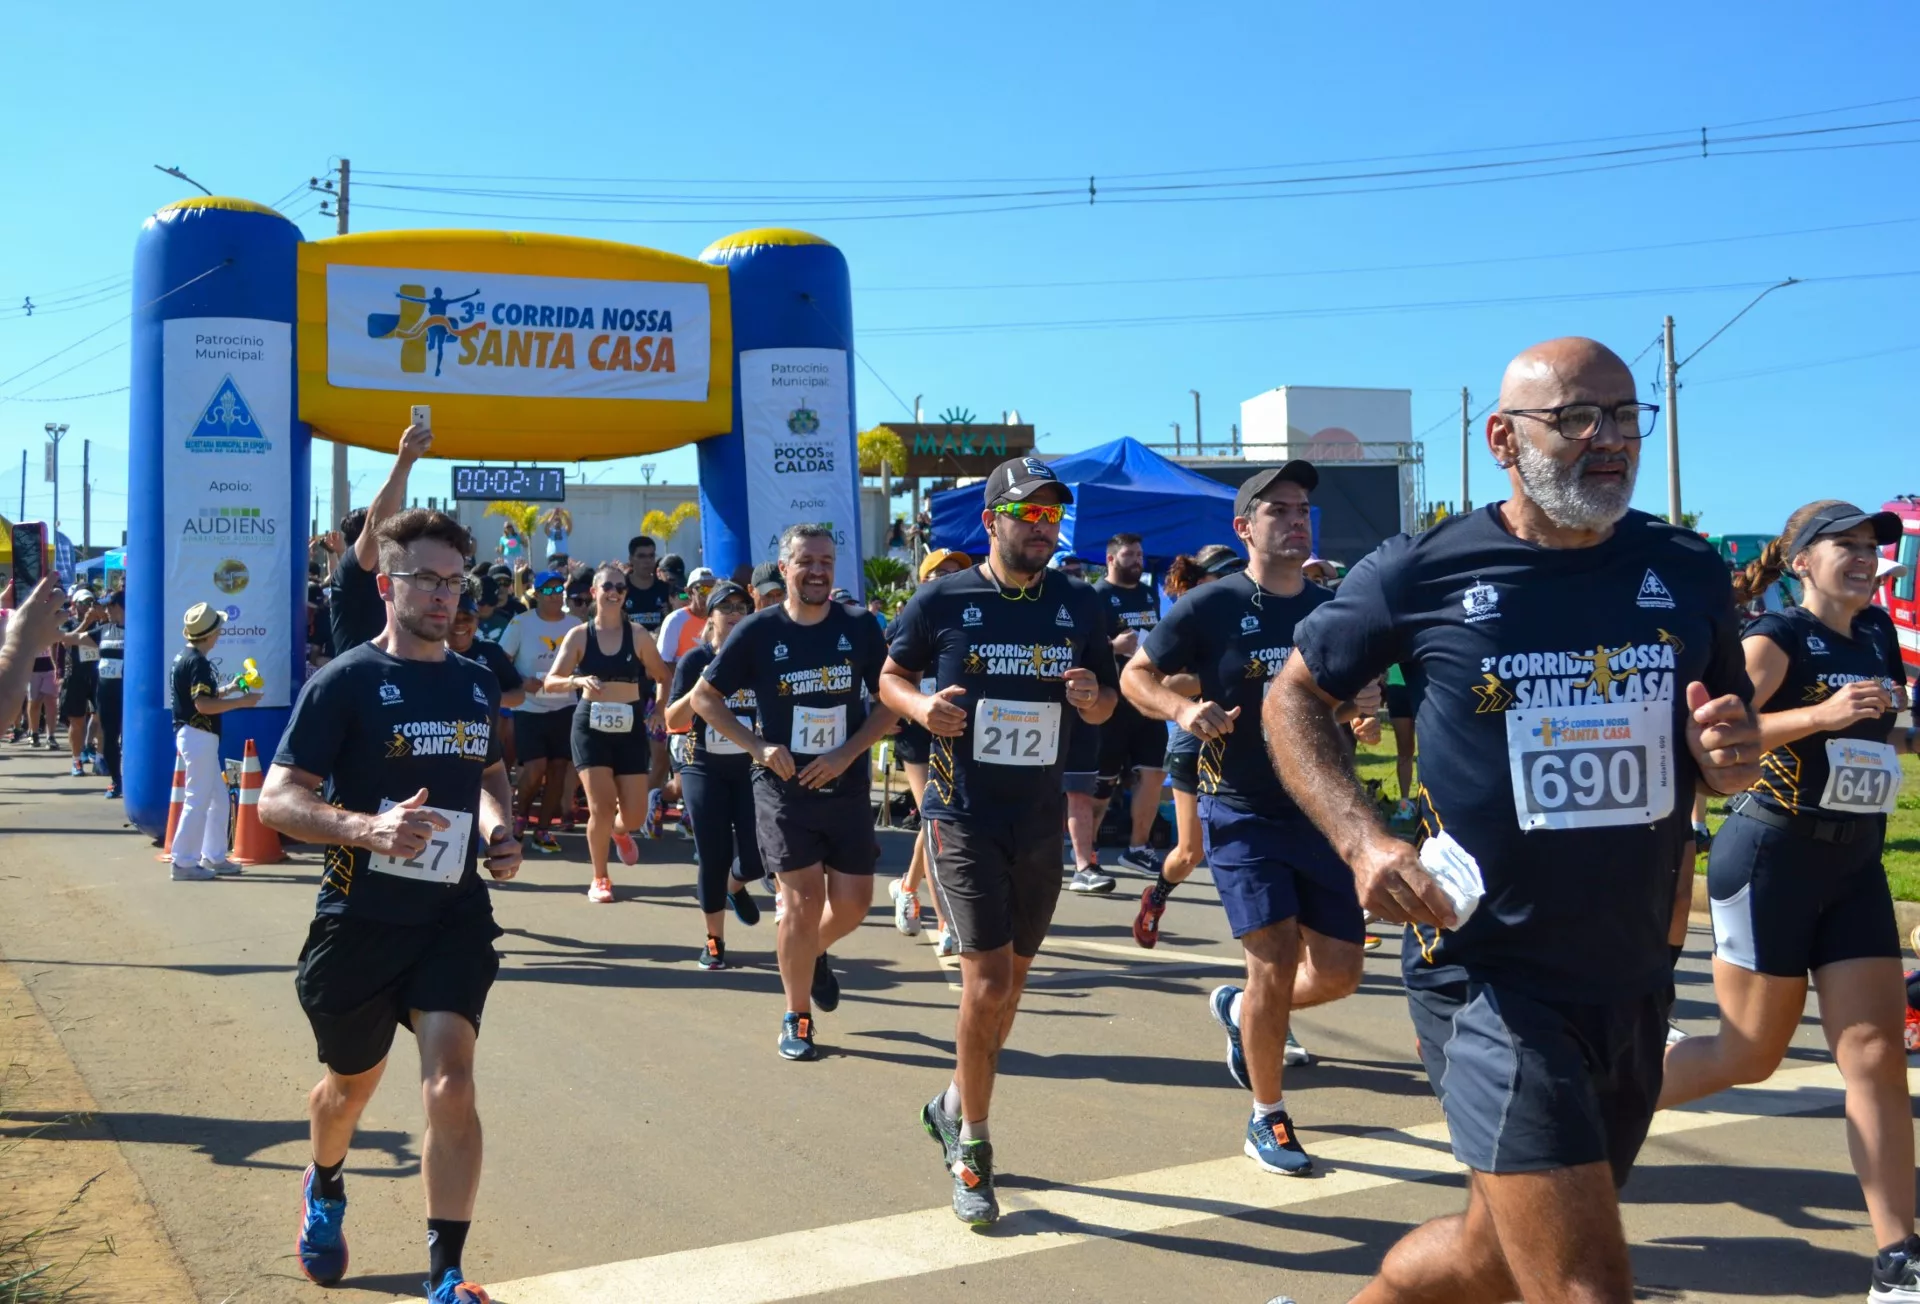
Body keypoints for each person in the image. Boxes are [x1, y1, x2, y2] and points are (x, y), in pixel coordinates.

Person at [1267, 336, 1759, 1303]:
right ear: (1503, 437)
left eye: (1624, 417)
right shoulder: (1423, 569)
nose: (1609, 440)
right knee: (1582, 1286)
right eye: (1578, 417)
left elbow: (1720, 735)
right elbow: (1292, 701)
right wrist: (1363, 838)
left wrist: (1727, 751)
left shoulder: (1687, 567)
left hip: (1630, 973)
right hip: (1485, 969)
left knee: (1491, 1254)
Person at [1658, 499, 1920, 1301]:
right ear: (1800, 561)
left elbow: (1885, 735)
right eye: (1843, 544)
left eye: (1873, 546)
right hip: (1772, 853)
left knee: (1874, 1055)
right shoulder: (1774, 640)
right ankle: (1597, 1113)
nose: (1864, 556)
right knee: (1748, 1056)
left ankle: (1898, 1256)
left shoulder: (1877, 637)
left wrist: (1895, 728)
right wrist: (1822, 714)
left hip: (1856, 866)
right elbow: (1715, 743)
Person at [257, 509, 521, 1304]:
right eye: (427, 580)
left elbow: (488, 774)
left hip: (451, 915)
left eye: (454, 582)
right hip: (360, 921)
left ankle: (447, 1273)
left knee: (453, 1082)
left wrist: (501, 831)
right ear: (387, 584)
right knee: (349, 1088)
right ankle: (327, 1184)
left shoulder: (475, 681)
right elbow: (275, 801)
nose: (444, 597)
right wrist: (368, 829)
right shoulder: (344, 682)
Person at [880, 456, 1118, 1225]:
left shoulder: (1076, 606)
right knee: (985, 984)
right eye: (1030, 515)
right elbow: (889, 677)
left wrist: (1093, 698)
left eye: (1054, 516)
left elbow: (1108, 705)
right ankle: (974, 1149)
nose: (1045, 528)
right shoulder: (945, 597)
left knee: (1010, 986)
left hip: (1039, 816)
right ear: (992, 521)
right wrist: (919, 710)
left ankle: (952, 1102)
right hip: (961, 812)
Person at [1123, 461, 1372, 1172]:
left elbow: (1343, 692)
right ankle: (1268, 1116)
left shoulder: (1329, 606)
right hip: (1241, 810)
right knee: (1273, 963)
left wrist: (1359, 708)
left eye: (1302, 510)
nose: (1296, 520)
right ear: (1245, 527)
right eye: (1278, 510)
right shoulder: (1210, 606)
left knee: (1341, 972)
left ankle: (1238, 1016)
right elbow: (1134, 675)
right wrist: (1181, 708)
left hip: (1321, 810)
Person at [690, 523, 895, 1062]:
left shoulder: (859, 626)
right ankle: (797, 1015)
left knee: (852, 906)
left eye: (826, 560)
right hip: (783, 789)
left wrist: (847, 753)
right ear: (784, 569)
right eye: (806, 561)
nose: (818, 570)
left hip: (845, 783)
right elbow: (705, 700)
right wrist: (758, 747)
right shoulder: (757, 631)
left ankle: (810, 952)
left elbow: (889, 700)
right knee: (804, 902)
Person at [544, 565, 673, 903]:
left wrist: (659, 710)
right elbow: (550, 681)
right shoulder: (579, 636)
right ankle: (600, 877)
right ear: (594, 592)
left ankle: (619, 832)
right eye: (607, 586)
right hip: (591, 727)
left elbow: (663, 676)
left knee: (633, 814)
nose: (614, 591)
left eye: (620, 586)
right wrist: (576, 680)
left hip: (629, 725)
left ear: (625, 594)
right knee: (600, 807)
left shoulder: (638, 635)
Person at [663, 580, 765, 968]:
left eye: (743, 607)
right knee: (713, 852)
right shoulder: (694, 661)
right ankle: (715, 940)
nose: (736, 614)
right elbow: (672, 718)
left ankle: (734, 886)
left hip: (751, 767)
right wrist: (703, 688)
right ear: (712, 617)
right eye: (727, 608)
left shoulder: (760, 660)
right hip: (702, 766)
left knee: (758, 858)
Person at [1130, 551, 1220, 948]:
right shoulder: (1186, 621)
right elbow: (1162, 687)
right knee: (1189, 852)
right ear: (1200, 581)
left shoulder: (1248, 616)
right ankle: (1156, 897)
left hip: (1244, 740)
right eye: (1222, 575)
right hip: (1193, 742)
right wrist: (1213, 679)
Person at [886, 548, 972, 952]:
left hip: (958, 734)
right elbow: (886, 679)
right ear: (924, 580)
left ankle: (907, 886)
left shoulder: (973, 619)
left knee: (937, 824)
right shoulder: (908, 620)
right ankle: (945, 923)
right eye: (941, 573)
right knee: (932, 823)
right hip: (917, 734)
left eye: (956, 573)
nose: (949, 579)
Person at [168, 603, 263, 880]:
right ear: (210, 634)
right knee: (197, 799)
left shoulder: (188, 657)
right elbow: (202, 705)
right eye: (218, 629)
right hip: (198, 736)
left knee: (217, 800)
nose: (221, 633)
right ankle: (184, 862)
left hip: (196, 736)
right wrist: (242, 701)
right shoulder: (197, 661)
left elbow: (201, 698)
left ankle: (213, 856)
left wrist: (231, 689)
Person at [1094, 533, 1168, 877]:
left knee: (1153, 773)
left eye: (1140, 553)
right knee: (1103, 783)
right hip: (1112, 702)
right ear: (1111, 559)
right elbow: (1081, 647)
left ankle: (1138, 847)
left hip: (1148, 698)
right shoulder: (1097, 595)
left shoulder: (1148, 593)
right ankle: (1086, 852)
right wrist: (1113, 646)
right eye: (1129, 554)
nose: (1137, 560)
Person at [332, 423, 434, 656]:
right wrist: (404, 462)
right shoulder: (350, 578)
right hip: (357, 689)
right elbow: (375, 526)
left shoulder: (403, 579)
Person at [499, 572, 581, 854]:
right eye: (548, 590)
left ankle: (544, 829)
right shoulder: (521, 623)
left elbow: (584, 660)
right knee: (535, 768)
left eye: (559, 588)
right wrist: (522, 683)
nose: (555, 594)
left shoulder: (575, 624)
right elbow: (502, 661)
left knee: (559, 768)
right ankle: (521, 816)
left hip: (564, 706)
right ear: (535, 594)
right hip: (530, 708)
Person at [0, 579, 71, 741]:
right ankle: (31, 731)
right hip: (29, 666)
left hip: (40, 665)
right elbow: (5, 699)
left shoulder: (51, 617)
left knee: (49, 702)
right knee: (34, 702)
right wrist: (18, 644)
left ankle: (48, 735)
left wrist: (57, 668)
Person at [447, 592, 524, 711]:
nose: (460, 624)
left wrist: (487, 698)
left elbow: (519, 694)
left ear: (477, 621)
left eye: (467, 618)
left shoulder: (491, 651)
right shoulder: (427, 653)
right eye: (453, 618)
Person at [53, 589, 101, 777]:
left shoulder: (101, 622)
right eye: (84, 602)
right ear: (75, 604)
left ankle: (99, 756)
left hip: (98, 675)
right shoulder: (68, 622)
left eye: (91, 601)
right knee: (77, 720)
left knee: (101, 717)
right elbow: (66, 641)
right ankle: (76, 760)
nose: (88, 606)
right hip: (76, 676)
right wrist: (86, 622)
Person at [91, 589, 128, 799]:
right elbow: (72, 639)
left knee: (129, 738)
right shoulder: (103, 629)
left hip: (128, 693)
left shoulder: (136, 630)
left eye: (110, 606)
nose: (106, 610)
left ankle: (131, 779)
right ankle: (116, 780)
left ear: (120, 607)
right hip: (106, 691)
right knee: (109, 736)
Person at [655, 568, 717, 670]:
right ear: (688, 592)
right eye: (703, 589)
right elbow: (663, 663)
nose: (708, 595)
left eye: (712, 590)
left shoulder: (720, 619)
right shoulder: (675, 620)